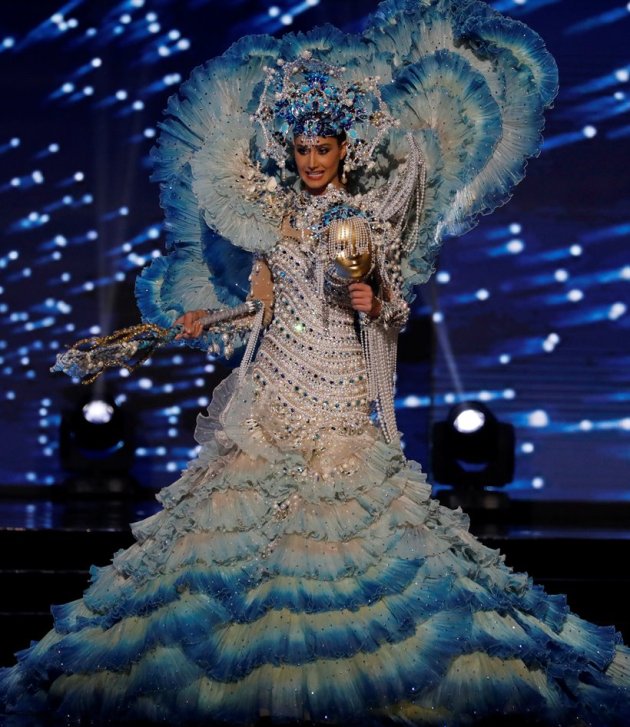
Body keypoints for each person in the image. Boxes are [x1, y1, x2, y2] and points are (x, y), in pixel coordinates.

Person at [1, 0, 629, 724]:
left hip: (336, 387)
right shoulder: (272, 219)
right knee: (230, 532)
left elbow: (390, 309)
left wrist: (371, 294)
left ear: (344, 151)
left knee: (350, 531)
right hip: (274, 386)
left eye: (322, 150)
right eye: (300, 150)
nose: (309, 162)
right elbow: (263, 305)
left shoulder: (362, 222)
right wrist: (211, 317)